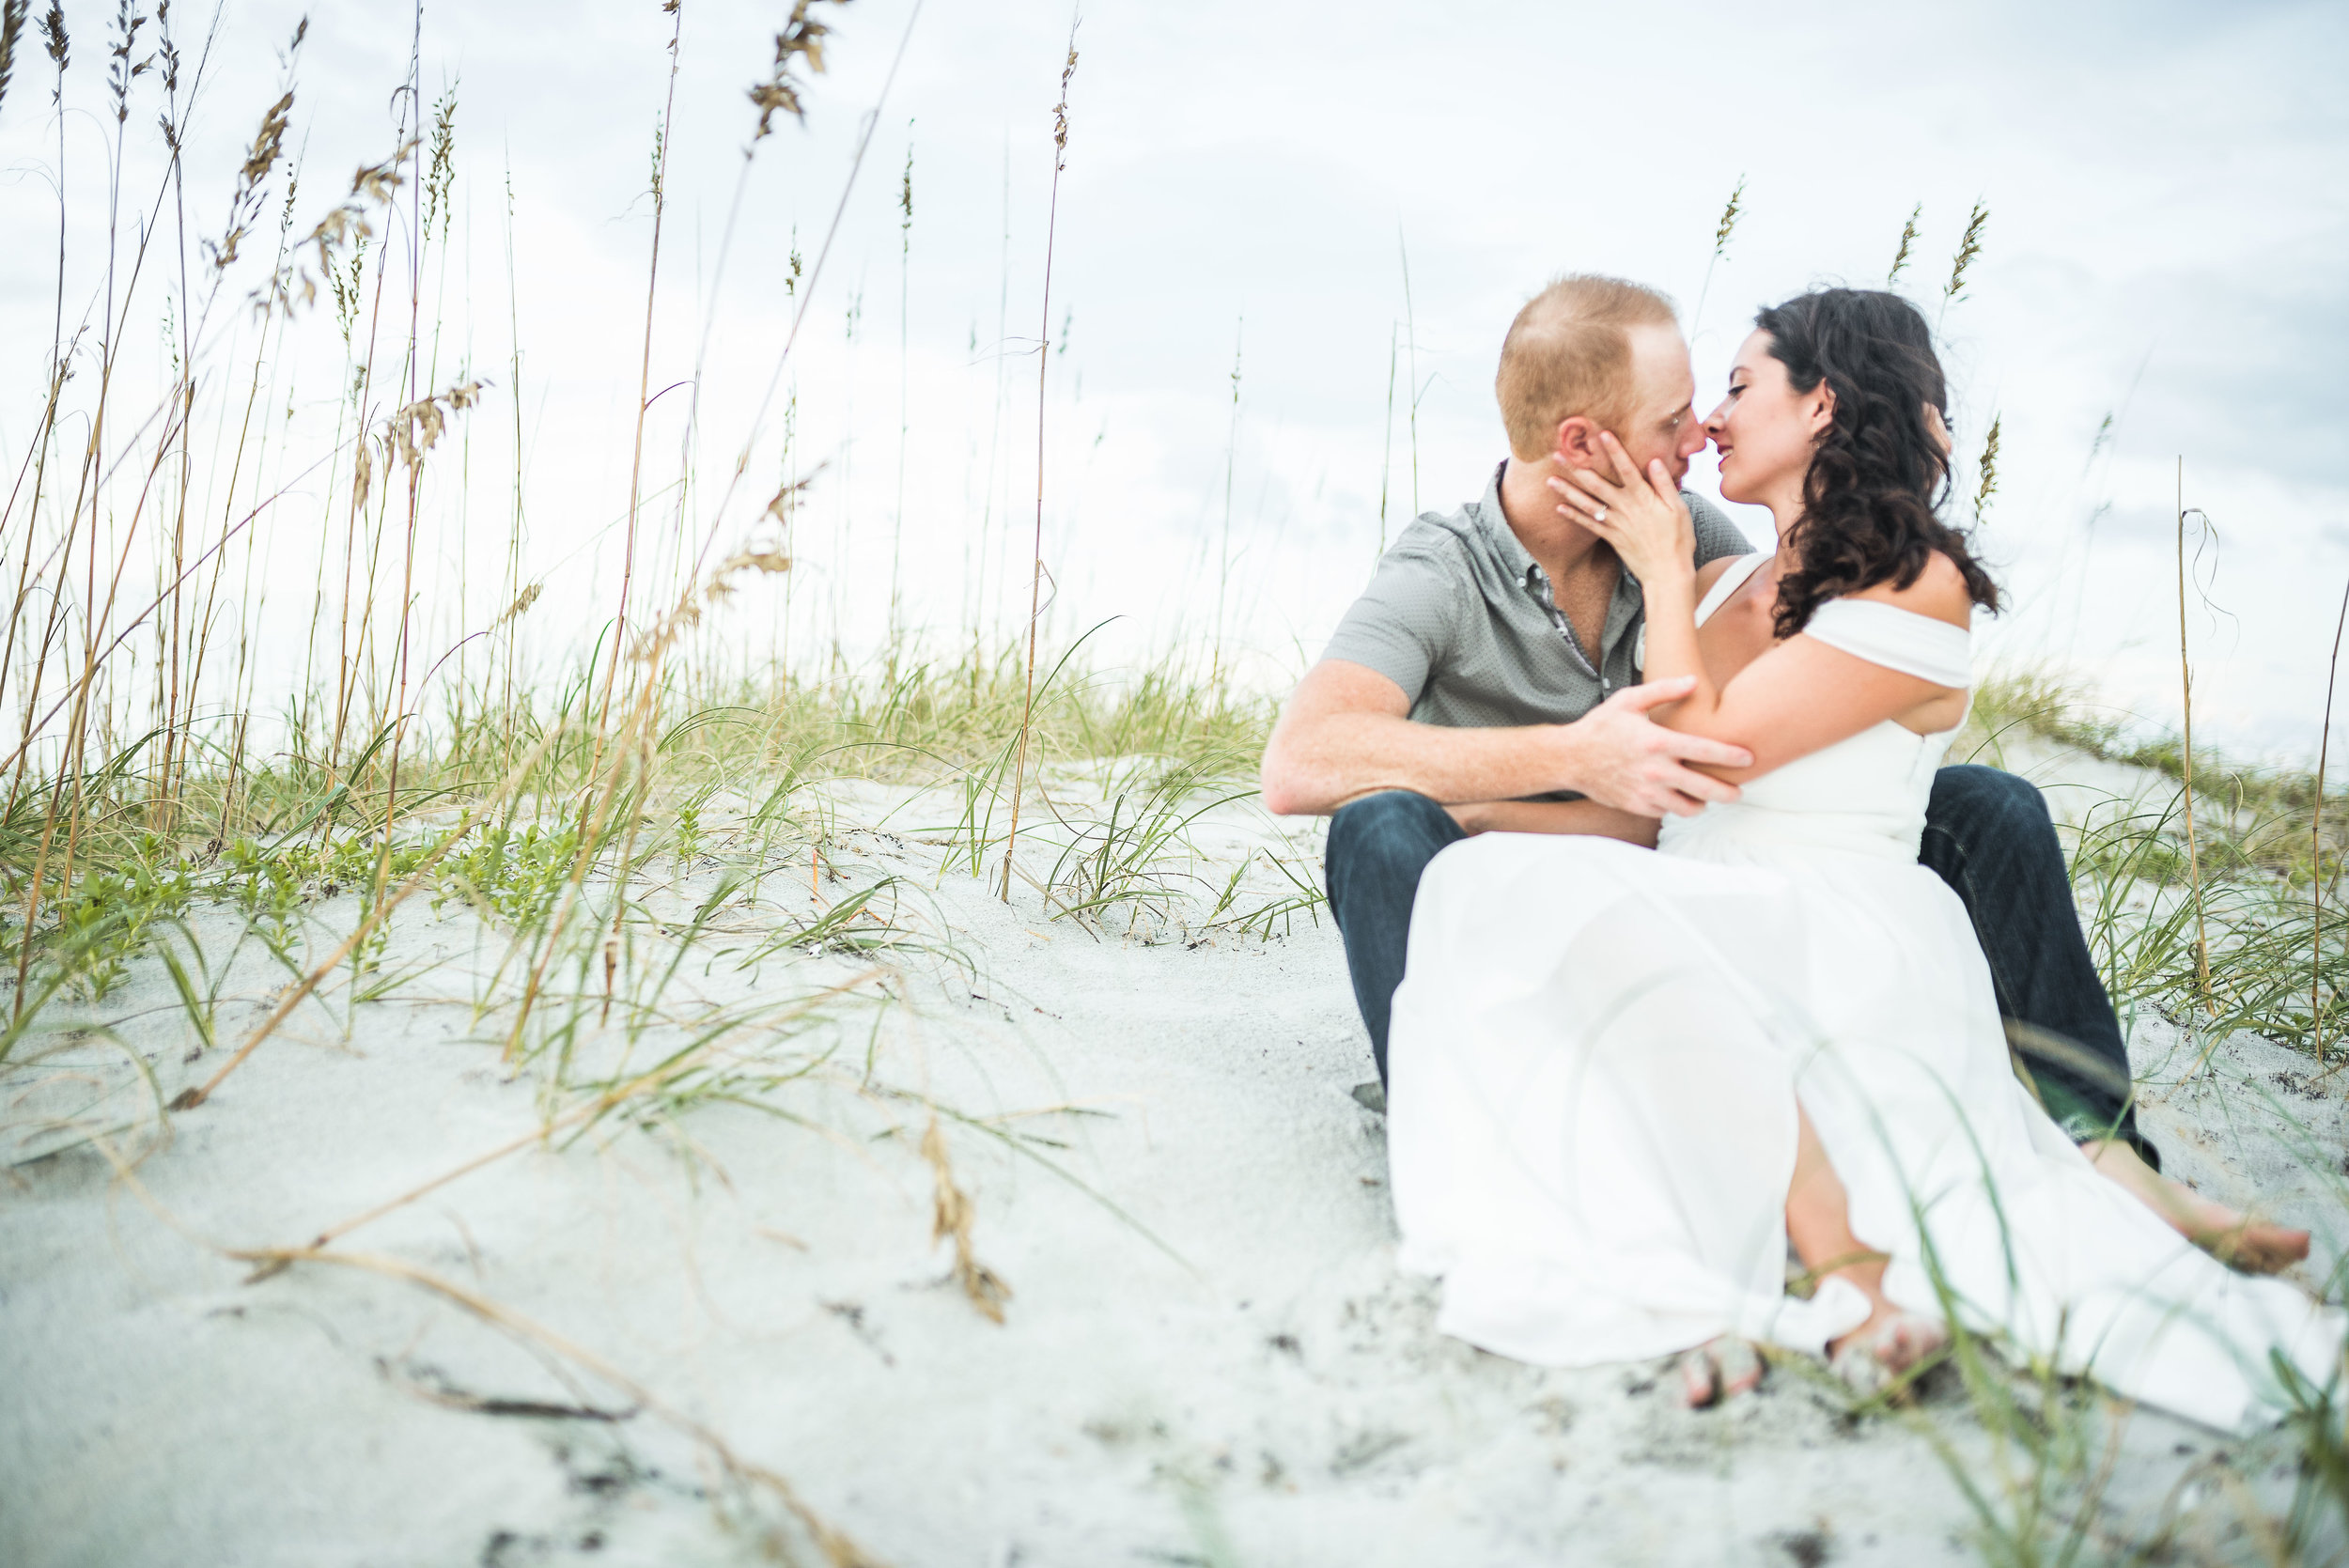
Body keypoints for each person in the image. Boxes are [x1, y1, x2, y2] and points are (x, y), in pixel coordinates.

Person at [1257, 277, 2309, 1389]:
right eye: (1678, 416)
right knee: (1386, 830)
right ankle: (1455, 1124)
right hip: (1641, 845)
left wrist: (1667, 590)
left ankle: (2106, 1154)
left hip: (1747, 845)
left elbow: (1702, 747)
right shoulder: (1449, 565)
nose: (1701, 426)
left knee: (1992, 804)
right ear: (1582, 441)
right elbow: (1303, 763)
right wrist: (1532, 778)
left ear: (1817, 406)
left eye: (1724, 394)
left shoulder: (1697, 541)